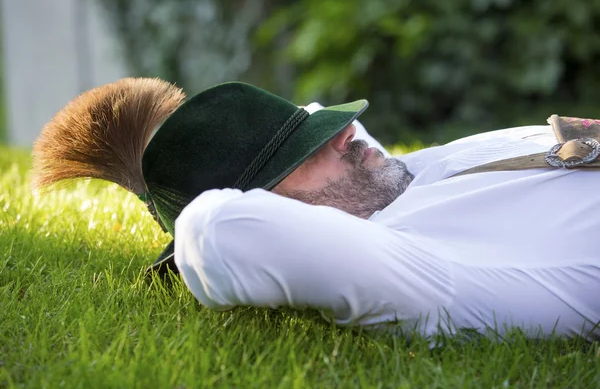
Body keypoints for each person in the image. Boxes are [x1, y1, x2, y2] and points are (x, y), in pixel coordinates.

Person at [33, 78, 600, 340]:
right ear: (269, 203)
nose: (346, 132)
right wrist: (182, 235)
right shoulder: (419, 267)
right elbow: (222, 230)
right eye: (300, 151)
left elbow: (341, 139)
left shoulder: (419, 172)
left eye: (318, 127)